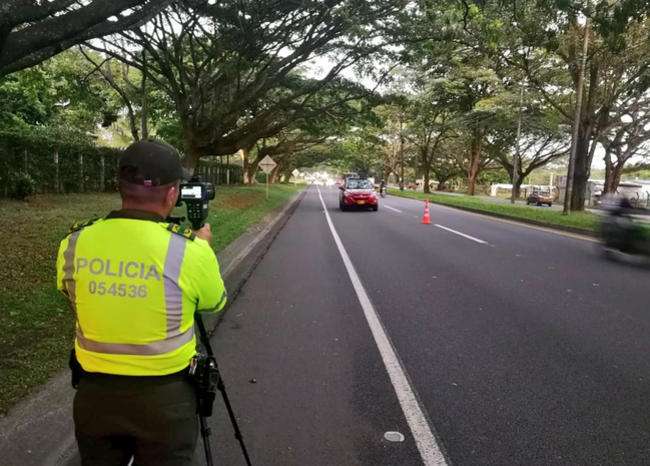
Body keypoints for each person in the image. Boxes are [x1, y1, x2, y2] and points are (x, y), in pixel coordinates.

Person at [56, 140, 227, 465]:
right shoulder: (191, 251)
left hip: (94, 397)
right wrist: (204, 246)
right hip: (166, 401)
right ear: (172, 193)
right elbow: (215, 301)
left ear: (120, 187)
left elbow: (70, 294)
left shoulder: (74, 242)